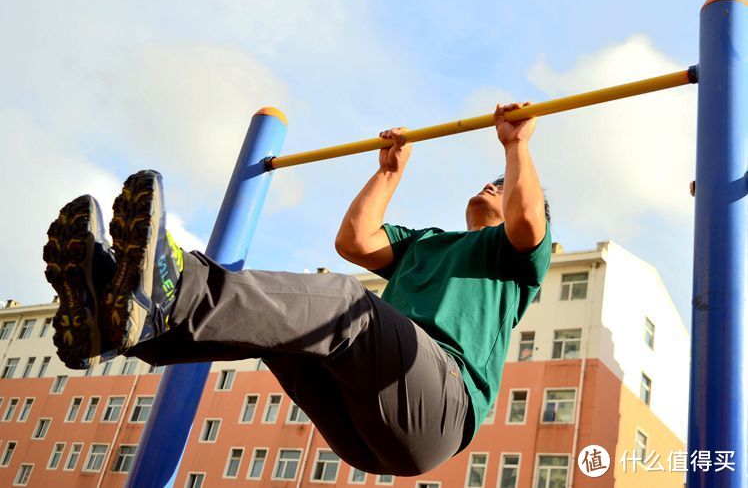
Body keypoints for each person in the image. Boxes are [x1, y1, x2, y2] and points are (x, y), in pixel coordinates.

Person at [42, 102, 551, 476]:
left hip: (439, 407)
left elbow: (527, 218)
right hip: (364, 427)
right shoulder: (430, 243)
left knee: (348, 305)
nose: (494, 185)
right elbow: (355, 241)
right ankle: (121, 325)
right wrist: (389, 174)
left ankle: (176, 293)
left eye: (503, 185)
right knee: (284, 331)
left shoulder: (517, 258)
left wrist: (516, 147)